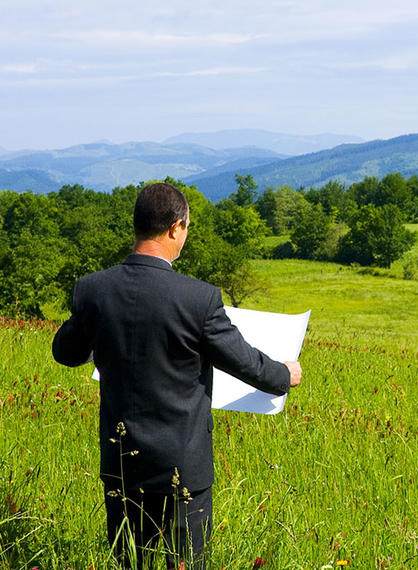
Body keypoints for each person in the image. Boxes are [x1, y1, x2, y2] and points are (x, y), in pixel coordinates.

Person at [52, 182, 302, 568]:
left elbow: (64, 353)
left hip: (121, 461)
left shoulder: (93, 290)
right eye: (186, 228)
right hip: (182, 466)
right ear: (174, 228)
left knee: (129, 562)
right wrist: (284, 374)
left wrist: (101, 340)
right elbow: (244, 362)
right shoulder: (199, 299)